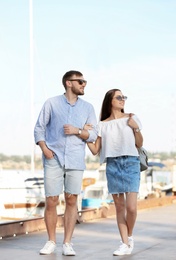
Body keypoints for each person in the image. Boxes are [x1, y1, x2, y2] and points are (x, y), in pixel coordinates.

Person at [34, 70, 97, 256]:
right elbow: (39, 128)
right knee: (52, 200)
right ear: (69, 83)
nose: (84, 84)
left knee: (71, 199)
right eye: (81, 81)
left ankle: (67, 243)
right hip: (53, 158)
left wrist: (78, 130)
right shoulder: (51, 103)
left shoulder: (88, 108)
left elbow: (93, 135)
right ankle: (51, 241)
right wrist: (45, 149)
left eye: (85, 81)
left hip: (76, 159)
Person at [84, 88, 143, 256]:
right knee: (119, 208)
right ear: (110, 100)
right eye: (119, 97)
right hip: (112, 165)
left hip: (131, 162)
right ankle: (124, 243)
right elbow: (95, 149)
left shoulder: (131, 118)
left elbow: (139, 143)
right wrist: (85, 135)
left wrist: (136, 128)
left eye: (124, 96)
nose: (122, 99)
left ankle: (129, 236)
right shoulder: (102, 125)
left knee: (131, 208)